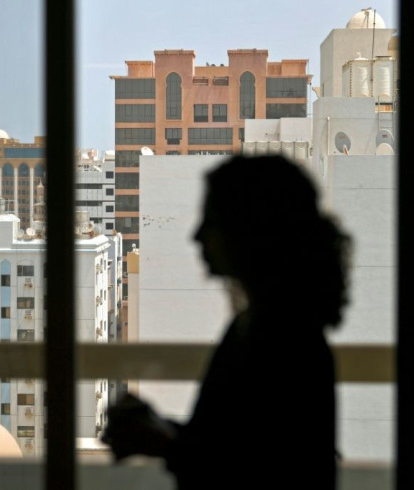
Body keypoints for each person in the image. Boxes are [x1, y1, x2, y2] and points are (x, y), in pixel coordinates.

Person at [101, 154, 352, 490]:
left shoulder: (279, 338)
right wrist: (162, 431)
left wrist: (162, 440)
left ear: (251, 230)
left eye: (212, 220)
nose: (197, 235)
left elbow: (251, 470)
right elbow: (235, 447)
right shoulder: (270, 326)